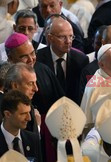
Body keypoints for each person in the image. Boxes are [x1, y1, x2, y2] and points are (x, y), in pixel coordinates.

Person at [5, 32, 64, 162]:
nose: (31, 59)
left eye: (32, 53)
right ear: (10, 58)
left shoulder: (43, 70)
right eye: (24, 56)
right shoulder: (4, 79)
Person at [37, 17, 89, 105]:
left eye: (71, 36)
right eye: (62, 37)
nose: (68, 41)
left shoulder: (81, 60)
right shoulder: (38, 58)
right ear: (50, 38)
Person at [0, 90, 42, 162]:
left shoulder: (33, 139)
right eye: (23, 114)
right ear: (7, 114)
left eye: (29, 112)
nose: (29, 118)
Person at [4, 63, 41, 136]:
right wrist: (38, 126)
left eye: (35, 83)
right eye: (30, 84)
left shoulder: (28, 104)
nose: (36, 89)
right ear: (15, 85)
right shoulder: (3, 108)